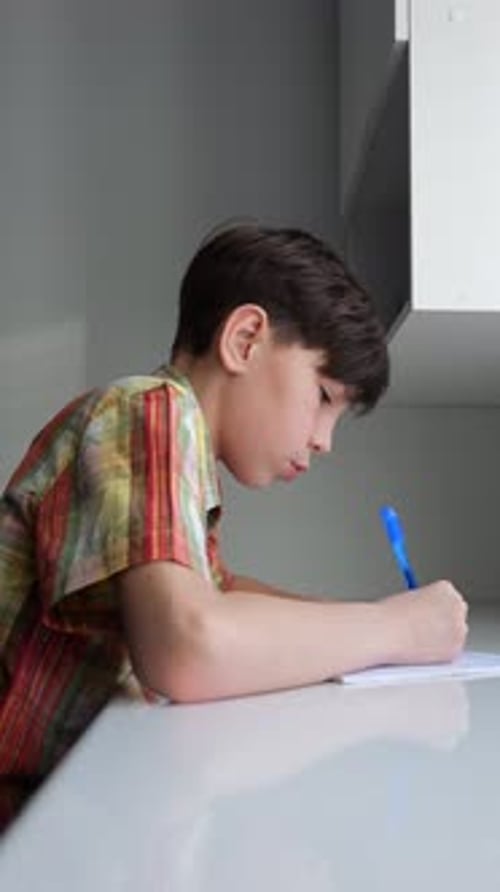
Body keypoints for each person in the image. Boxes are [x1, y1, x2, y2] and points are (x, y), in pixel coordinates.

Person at [0, 223, 468, 830]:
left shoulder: (180, 453)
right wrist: (393, 628)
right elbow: (190, 646)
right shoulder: (147, 412)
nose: (324, 441)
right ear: (245, 339)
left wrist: (370, 628)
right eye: (324, 397)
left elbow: (217, 594)